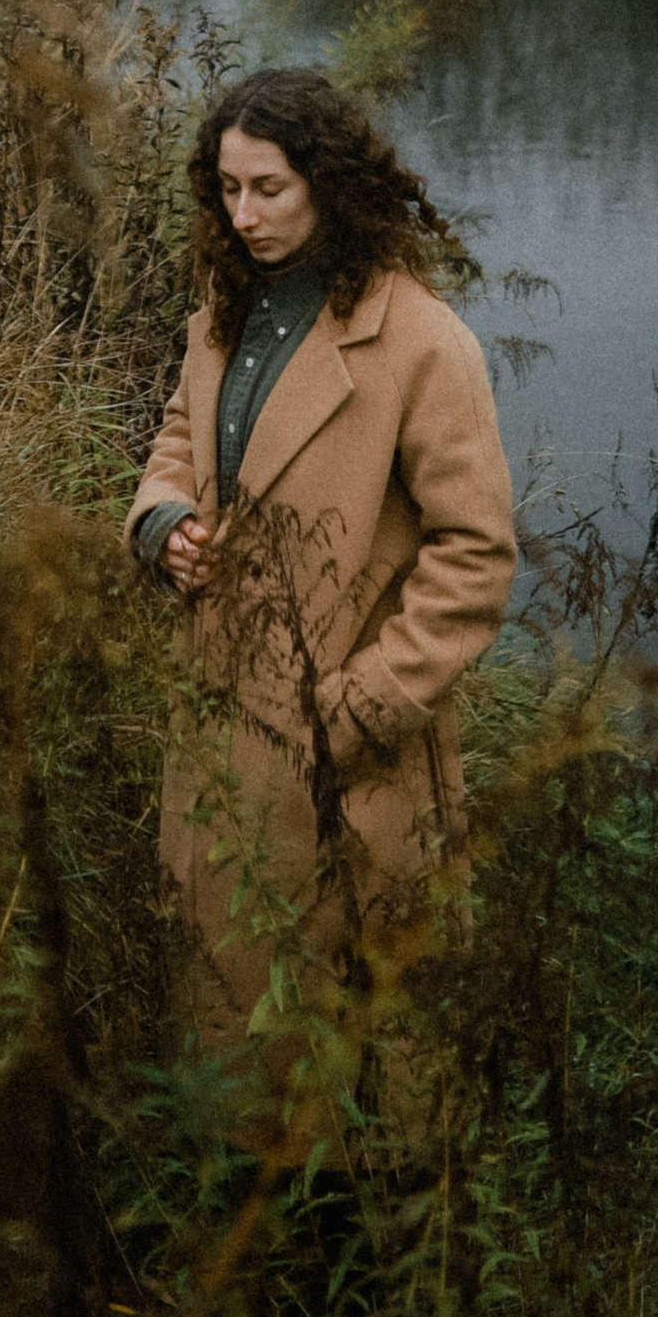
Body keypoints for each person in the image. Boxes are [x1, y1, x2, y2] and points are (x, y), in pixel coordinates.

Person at [126, 65, 516, 1033]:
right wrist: (164, 523)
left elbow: (475, 555)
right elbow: (179, 437)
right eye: (228, 188)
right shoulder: (227, 311)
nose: (244, 215)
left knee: (348, 1038)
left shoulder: (424, 345)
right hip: (218, 717)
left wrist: (353, 713)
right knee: (218, 1009)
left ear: (328, 184)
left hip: (350, 757)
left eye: (270, 188)